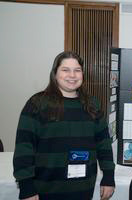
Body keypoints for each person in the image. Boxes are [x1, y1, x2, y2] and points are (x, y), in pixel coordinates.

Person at [13, 51, 115, 200]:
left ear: (82, 74)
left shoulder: (92, 105)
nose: (72, 75)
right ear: (55, 74)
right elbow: (24, 147)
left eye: (77, 70)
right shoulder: (37, 103)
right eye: (65, 70)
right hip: (45, 189)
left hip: (83, 188)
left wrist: (108, 176)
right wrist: (26, 185)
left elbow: (104, 144)